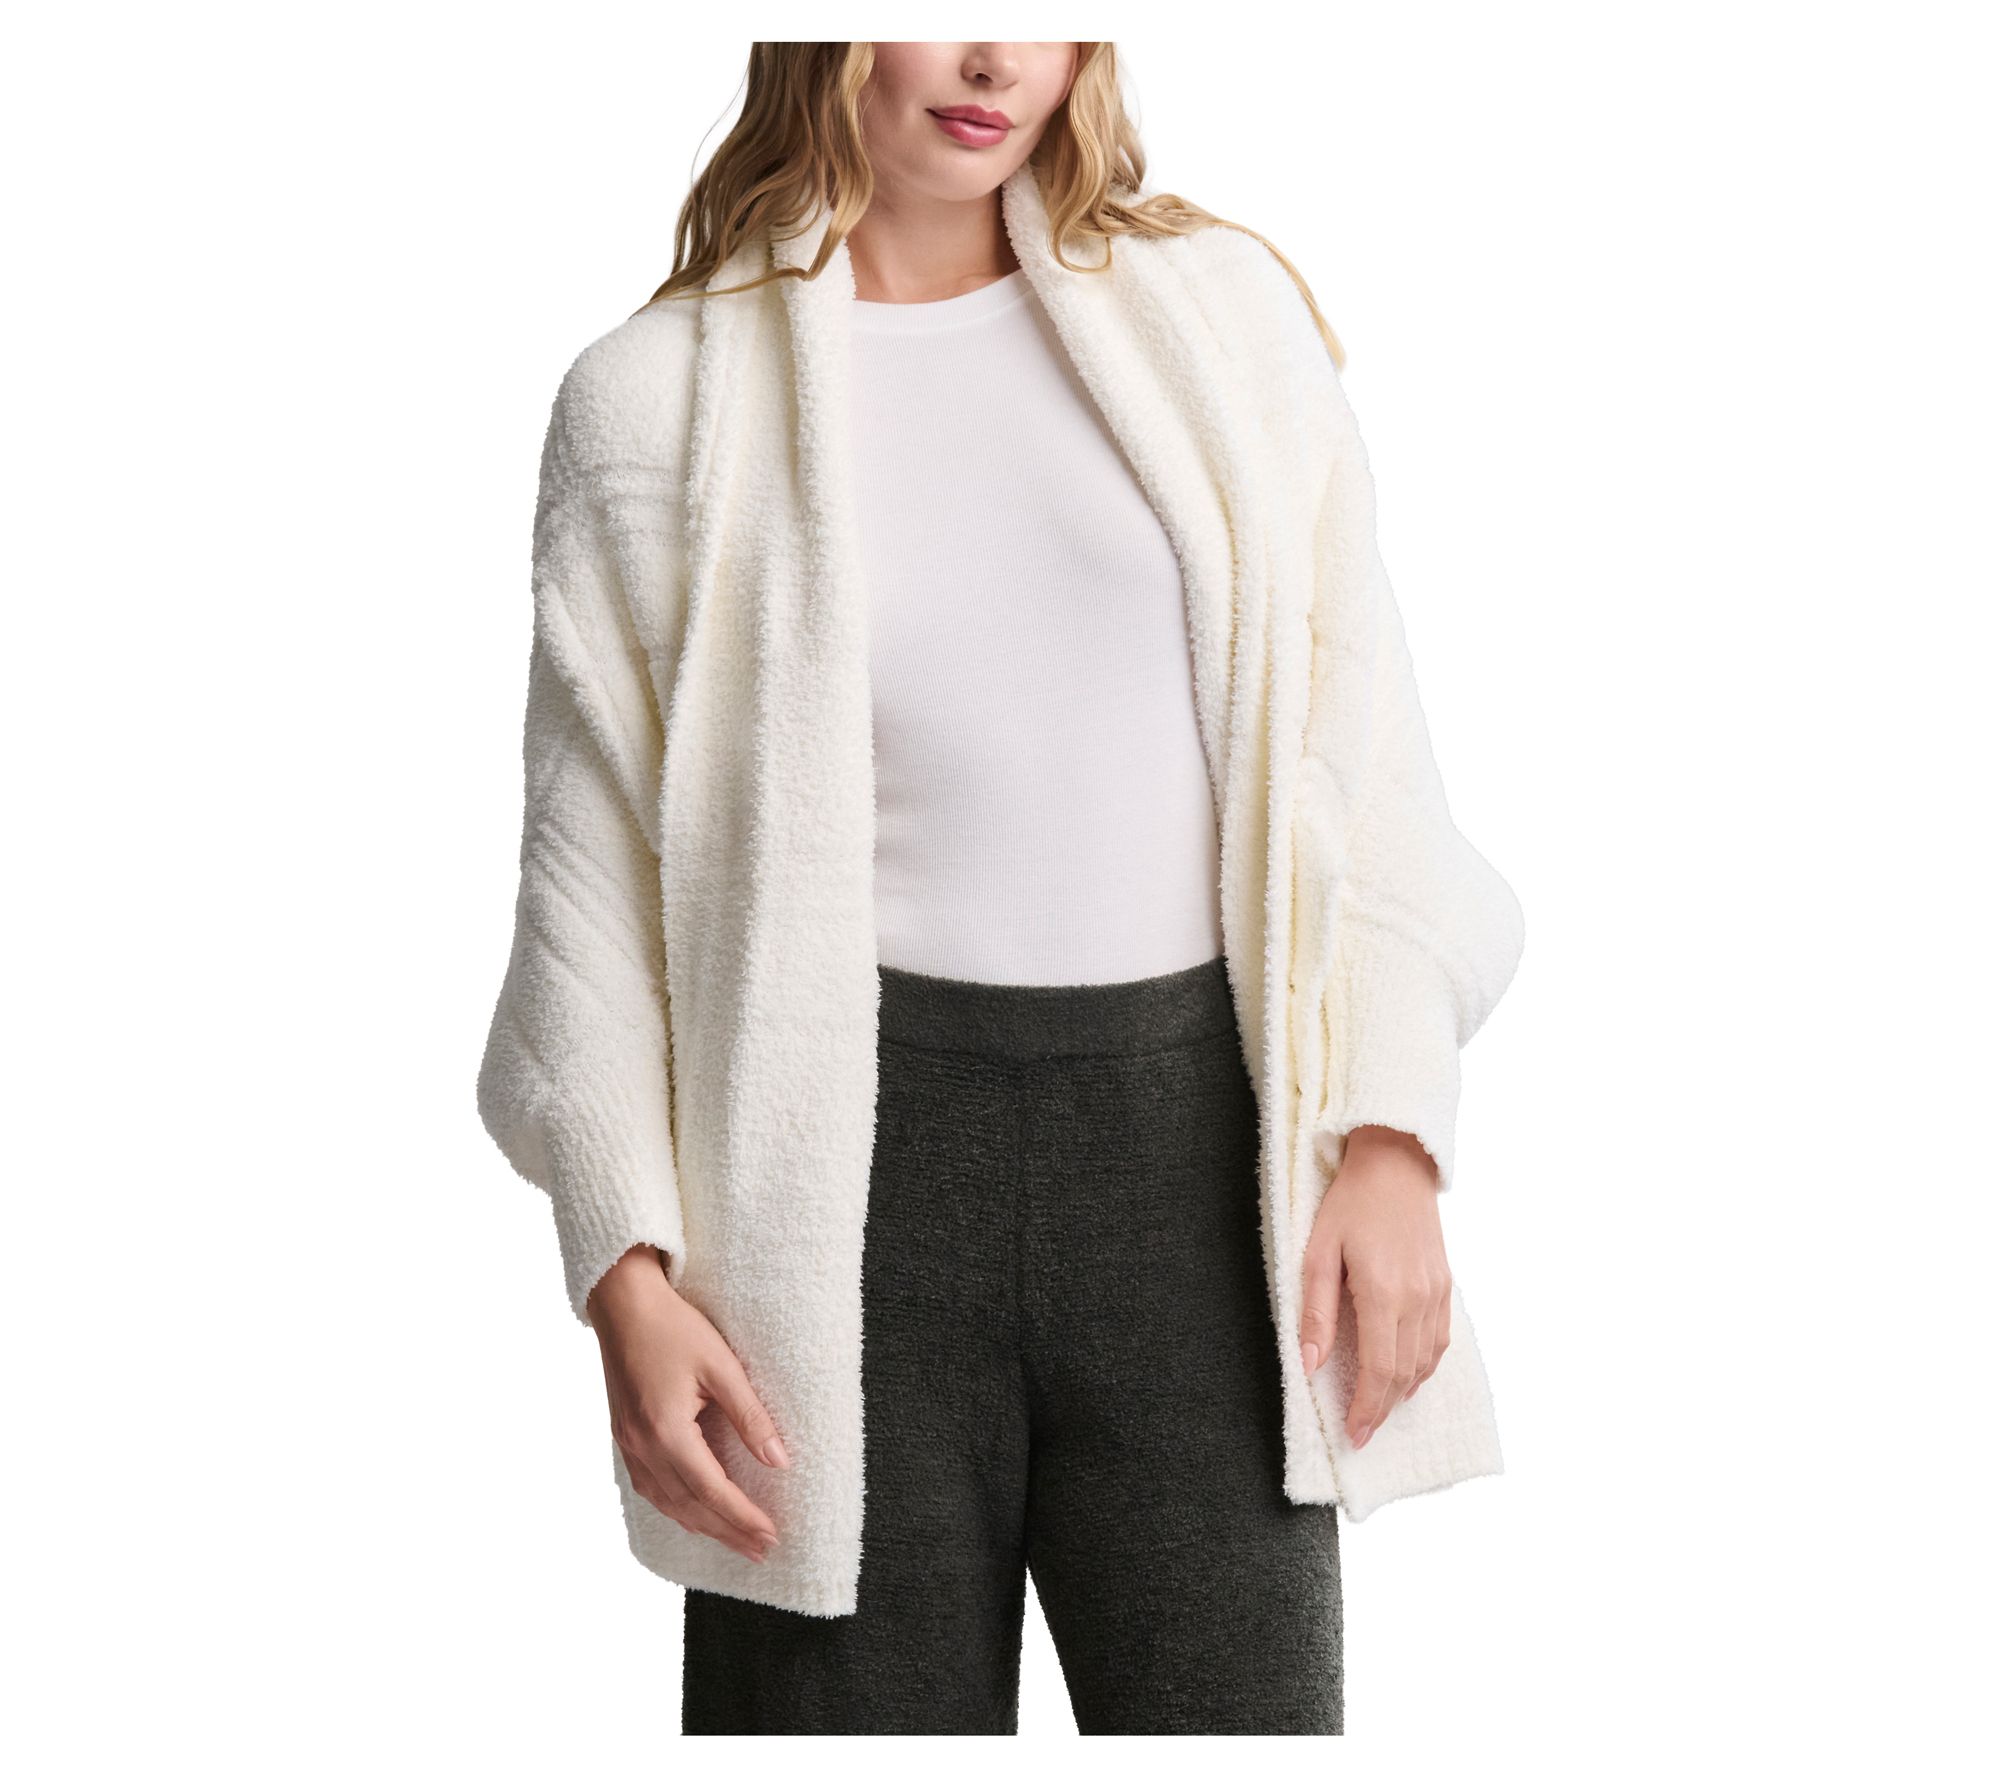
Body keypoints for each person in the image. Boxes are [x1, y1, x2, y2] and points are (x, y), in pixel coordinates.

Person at [476, 40, 1525, 1735]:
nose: (992, 57)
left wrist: (1395, 1135)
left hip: (1197, 1197)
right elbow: (584, 884)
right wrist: (626, 1274)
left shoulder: (1222, 322)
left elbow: (1369, 761)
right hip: (829, 1221)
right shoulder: (651, 404)